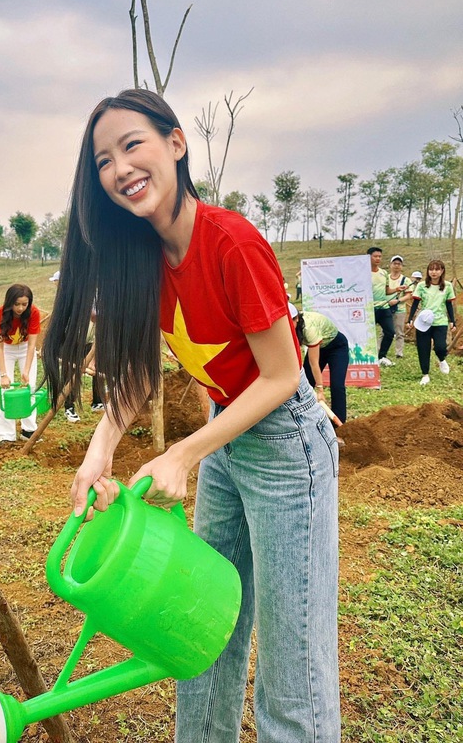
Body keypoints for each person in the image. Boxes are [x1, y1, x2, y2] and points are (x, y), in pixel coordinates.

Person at [42, 89, 340, 742]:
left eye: (131, 145)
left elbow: (284, 375)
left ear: (176, 143)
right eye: (102, 161)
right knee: (201, 621)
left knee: (294, 660)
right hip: (227, 435)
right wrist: (99, 454)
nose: (118, 168)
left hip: (288, 446)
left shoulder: (230, 242)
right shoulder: (145, 258)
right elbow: (140, 372)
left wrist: (185, 452)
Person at [0, 284, 41, 444]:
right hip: (6, 349)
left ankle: (29, 430)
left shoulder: (33, 313)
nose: (20, 308)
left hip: (25, 349)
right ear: (10, 302)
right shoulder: (0, 314)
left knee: (30, 387)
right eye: (17, 304)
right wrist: (4, 374)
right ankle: (6, 435)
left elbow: (32, 345)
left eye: (24, 304)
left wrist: (26, 371)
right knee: (6, 389)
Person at [290, 303, 349, 425]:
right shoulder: (287, 328)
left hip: (337, 347)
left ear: (297, 318)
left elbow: (314, 363)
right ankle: (306, 417)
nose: (288, 325)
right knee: (306, 382)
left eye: (291, 321)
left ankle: (339, 425)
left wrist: (320, 390)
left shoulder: (309, 328)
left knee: (337, 385)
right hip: (319, 347)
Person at [406, 259, 456, 386]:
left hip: (440, 321)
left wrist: (452, 321)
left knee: (440, 347)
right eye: (431, 269)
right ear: (428, 271)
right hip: (424, 321)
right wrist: (410, 319)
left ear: (442, 271)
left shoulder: (447, 286)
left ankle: (441, 359)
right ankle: (425, 374)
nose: (434, 272)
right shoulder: (422, 285)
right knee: (423, 348)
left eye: (437, 269)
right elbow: (415, 303)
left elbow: (449, 304)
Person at [368, 246, 404, 367]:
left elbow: (386, 290)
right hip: (369, 309)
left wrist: (397, 289)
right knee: (368, 334)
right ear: (369, 257)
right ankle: (367, 357)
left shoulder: (383, 273)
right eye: (375, 256)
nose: (378, 258)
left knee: (390, 332)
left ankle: (381, 356)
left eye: (380, 256)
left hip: (383, 308)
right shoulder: (362, 272)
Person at [386, 256, 414, 358]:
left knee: (399, 332)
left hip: (399, 309)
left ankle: (399, 352)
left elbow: (408, 295)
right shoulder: (386, 278)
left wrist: (397, 301)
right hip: (385, 308)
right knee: (383, 331)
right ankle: (380, 350)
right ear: (390, 265)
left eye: (399, 264)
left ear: (402, 266)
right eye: (395, 263)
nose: (396, 266)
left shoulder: (405, 280)